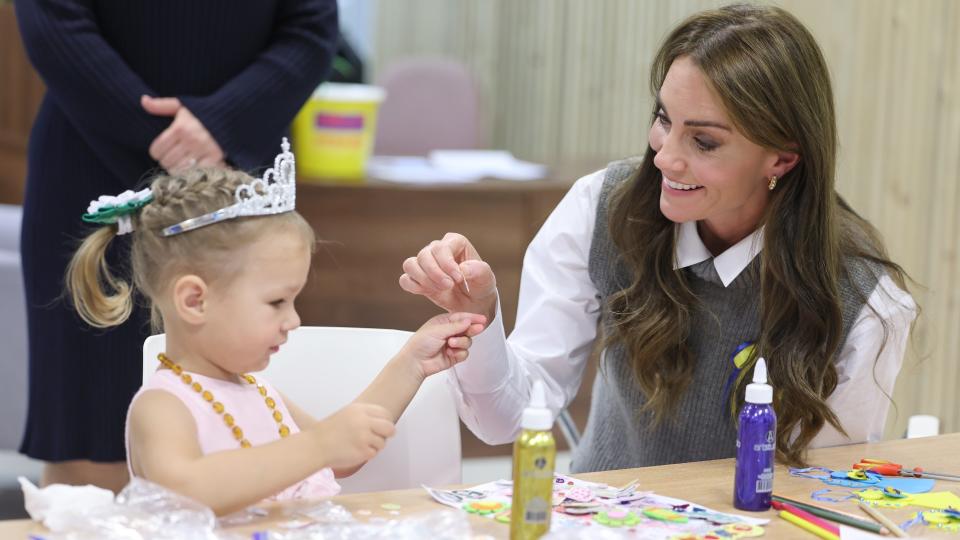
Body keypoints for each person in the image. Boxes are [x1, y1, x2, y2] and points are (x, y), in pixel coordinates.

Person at [399, 4, 917, 471]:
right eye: (664, 120)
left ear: (782, 158)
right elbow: (506, 421)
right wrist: (482, 316)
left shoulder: (866, 301)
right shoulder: (601, 208)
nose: (665, 156)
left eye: (705, 141)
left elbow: (823, 490)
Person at [14, 0, 339, 491]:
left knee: (245, 392)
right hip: (91, 151)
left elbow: (311, 28)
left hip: (239, 171)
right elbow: (54, 21)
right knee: (88, 425)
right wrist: (167, 138)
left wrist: (219, 124)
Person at [65, 141, 486, 515]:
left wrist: (411, 363)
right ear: (195, 301)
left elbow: (339, 452)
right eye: (276, 302)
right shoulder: (162, 407)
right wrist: (318, 446)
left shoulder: (258, 391)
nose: (294, 320)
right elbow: (187, 491)